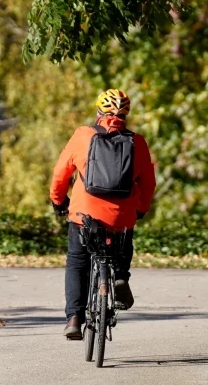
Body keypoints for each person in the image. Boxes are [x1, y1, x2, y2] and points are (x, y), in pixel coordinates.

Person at [50, 89, 156, 340]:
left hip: (84, 215)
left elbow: (60, 174)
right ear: (126, 114)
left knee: (77, 261)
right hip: (121, 218)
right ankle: (120, 276)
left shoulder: (83, 135)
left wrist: (58, 201)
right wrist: (140, 209)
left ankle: (74, 318)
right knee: (124, 237)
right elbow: (148, 184)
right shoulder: (137, 142)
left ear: (99, 112)